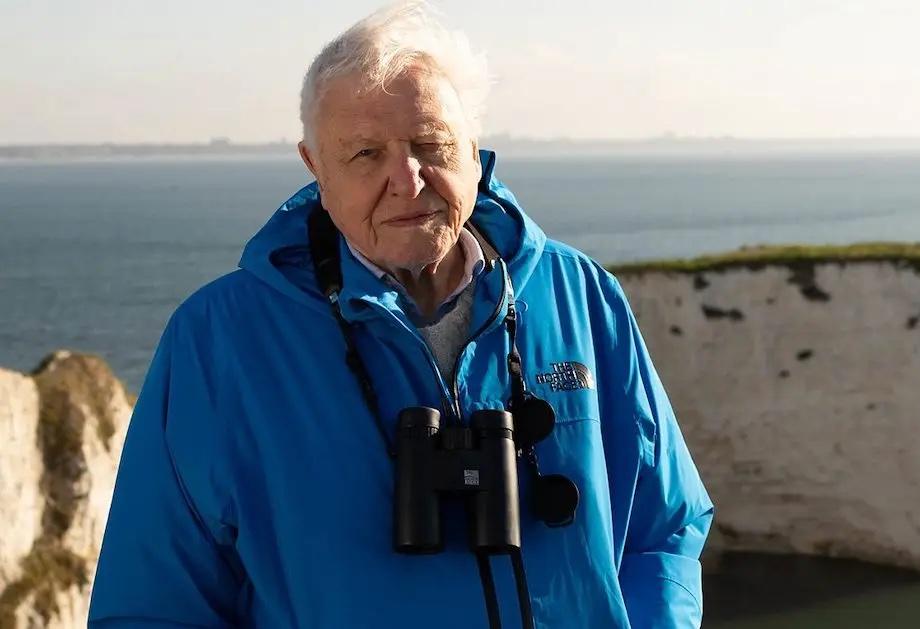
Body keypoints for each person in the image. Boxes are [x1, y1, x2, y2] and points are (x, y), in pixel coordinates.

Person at [87, 3, 713, 628]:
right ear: (315, 168)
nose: (407, 180)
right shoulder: (220, 339)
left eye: (430, 144)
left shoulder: (579, 295)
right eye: (365, 154)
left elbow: (666, 527)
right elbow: (152, 604)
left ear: (473, 151)